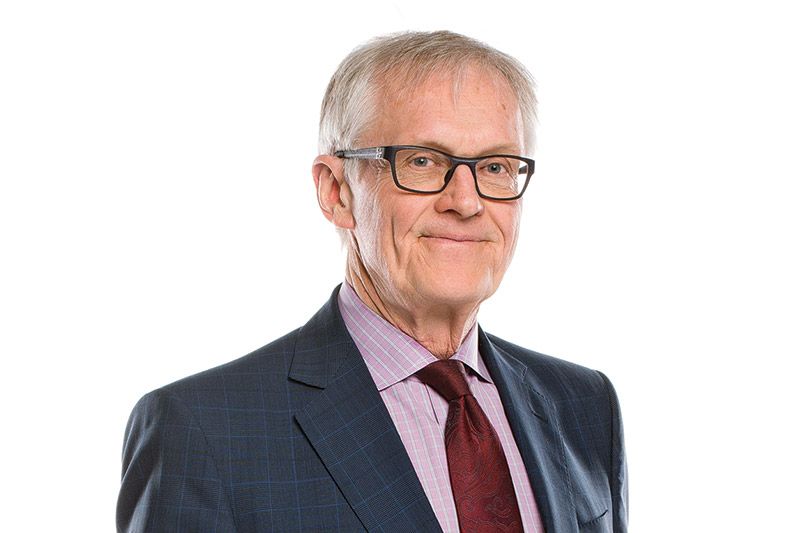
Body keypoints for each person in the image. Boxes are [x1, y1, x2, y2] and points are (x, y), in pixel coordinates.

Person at [117, 30, 628, 533]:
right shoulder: (204, 431)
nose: (466, 202)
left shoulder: (583, 405)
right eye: (422, 161)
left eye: (495, 166)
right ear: (336, 192)